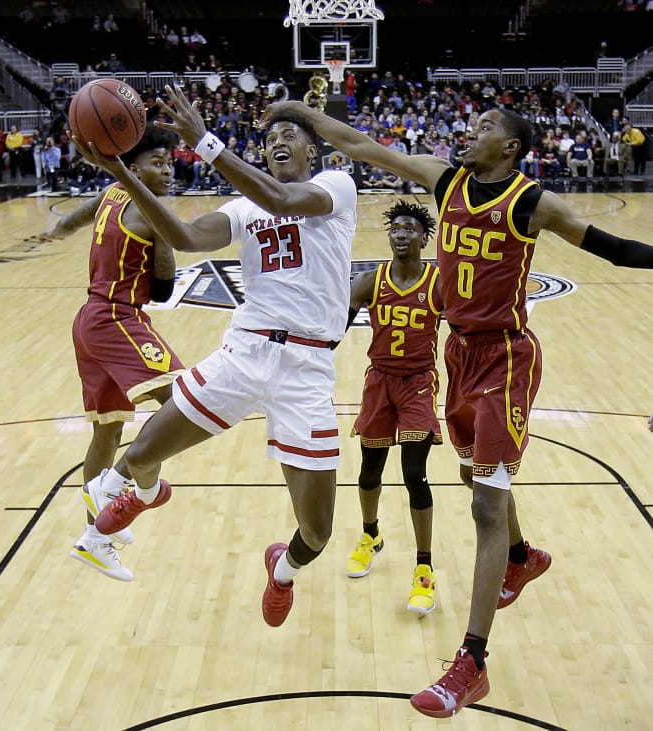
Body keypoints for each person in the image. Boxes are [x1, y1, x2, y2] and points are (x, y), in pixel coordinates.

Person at [260, 101, 653, 718]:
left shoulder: (532, 202)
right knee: (475, 476)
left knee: (483, 503)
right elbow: (364, 147)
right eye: (474, 126)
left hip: (506, 359)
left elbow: (613, 247)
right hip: (460, 357)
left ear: (512, 148)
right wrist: (302, 115)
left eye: (487, 128)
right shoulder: (447, 181)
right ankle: (523, 559)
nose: (473, 133)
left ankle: (471, 663)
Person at [78, 84, 357, 628]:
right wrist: (121, 173)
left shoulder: (335, 187)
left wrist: (205, 142)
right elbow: (182, 236)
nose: (277, 142)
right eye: (270, 137)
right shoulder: (245, 205)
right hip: (245, 351)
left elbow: (282, 201)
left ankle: (282, 571)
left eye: (289, 136)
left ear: (312, 153)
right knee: (141, 451)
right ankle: (137, 498)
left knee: (318, 533)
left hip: (307, 372)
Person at [40, 125, 184, 581]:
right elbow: (162, 288)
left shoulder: (112, 192)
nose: (167, 169)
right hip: (119, 319)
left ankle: (95, 538)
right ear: (134, 166)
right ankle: (133, 493)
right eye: (156, 163)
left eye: (169, 162)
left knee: (107, 433)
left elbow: (79, 216)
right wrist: (165, 233)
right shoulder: (149, 208)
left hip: (89, 318)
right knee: (182, 404)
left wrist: (56, 232)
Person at [345, 200, 443, 615]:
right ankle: (371, 535)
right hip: (379, 382)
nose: (401, 234)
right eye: (396, 229)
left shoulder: (440, 283)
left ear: (424, 238)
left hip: (419, 384)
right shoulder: (369, 281)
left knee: (414, 475)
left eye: (410, 229)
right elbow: (334, 328)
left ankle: (425, 568)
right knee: (370, 470)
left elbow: (464, 335)